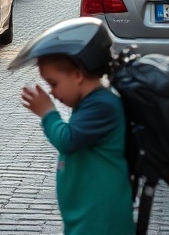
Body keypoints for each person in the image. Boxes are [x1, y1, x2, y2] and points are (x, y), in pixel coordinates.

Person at [19, 45, 135, 234]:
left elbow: (68, 140)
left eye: (53, 84)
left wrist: (48, 113)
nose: (52, 93)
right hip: (87, 216)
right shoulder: (89, 104)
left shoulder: (101, 105)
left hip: (100, 219)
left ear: (77, 75)